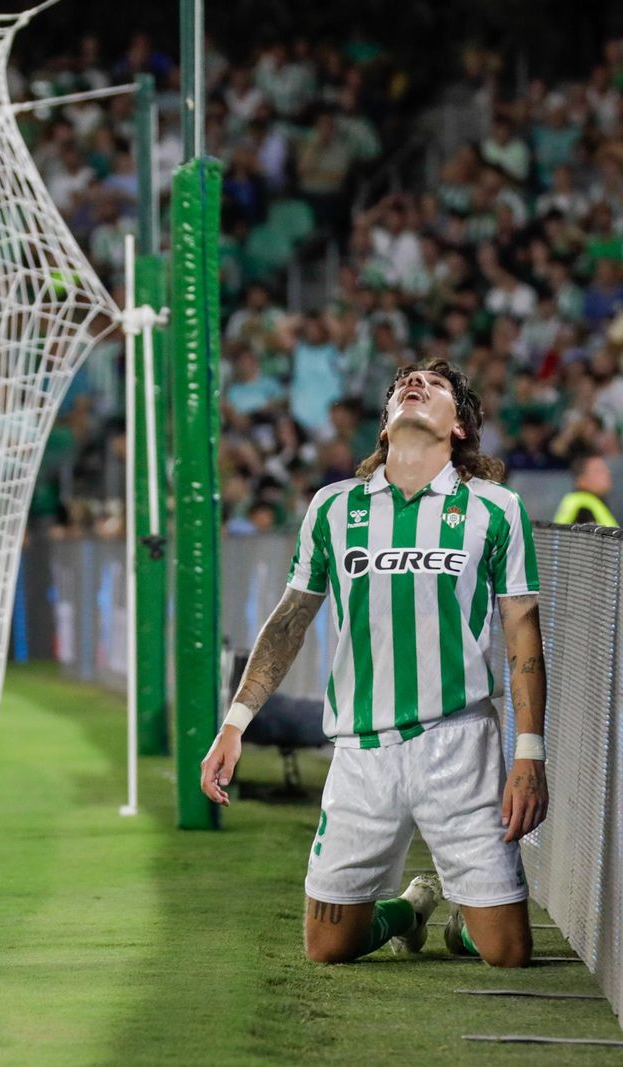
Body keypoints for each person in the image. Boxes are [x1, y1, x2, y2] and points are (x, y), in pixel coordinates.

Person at [200, 359, 548, 967]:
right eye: (404, 385)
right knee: (326, 948)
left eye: (435, 386)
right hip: (361, 754)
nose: (416, 386)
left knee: (508, 953)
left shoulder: (496, 509)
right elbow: (289, 621)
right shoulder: (333, 507)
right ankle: (410, 909)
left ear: (460, 427)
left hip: (459, 743)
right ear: (386, 423)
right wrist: (235, 722)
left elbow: (522, 632)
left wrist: (529, 754)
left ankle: (465, 928)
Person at [552, 454, 619, 526]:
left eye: (606, 470)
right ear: (581, 479)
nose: (607, 474)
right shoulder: (583, 507)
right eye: (598, 471)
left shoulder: (579, 501)